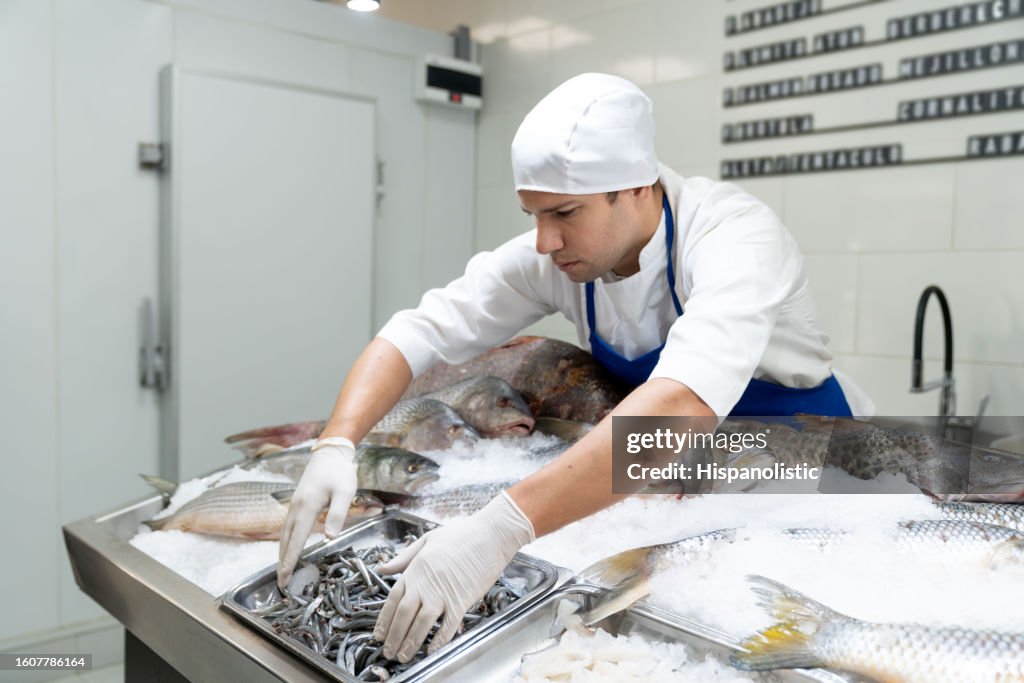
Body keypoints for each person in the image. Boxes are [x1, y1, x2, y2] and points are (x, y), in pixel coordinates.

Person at [276, 73, 871, 663]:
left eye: (564, 212)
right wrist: (335, 444)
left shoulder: (735, 237)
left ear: (638, 187)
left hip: (818, 478)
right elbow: (419, 331)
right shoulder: (561, 259)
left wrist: (499, 528)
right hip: (678, 480)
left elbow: (680, 406)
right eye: (533, 213)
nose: (543, 241)